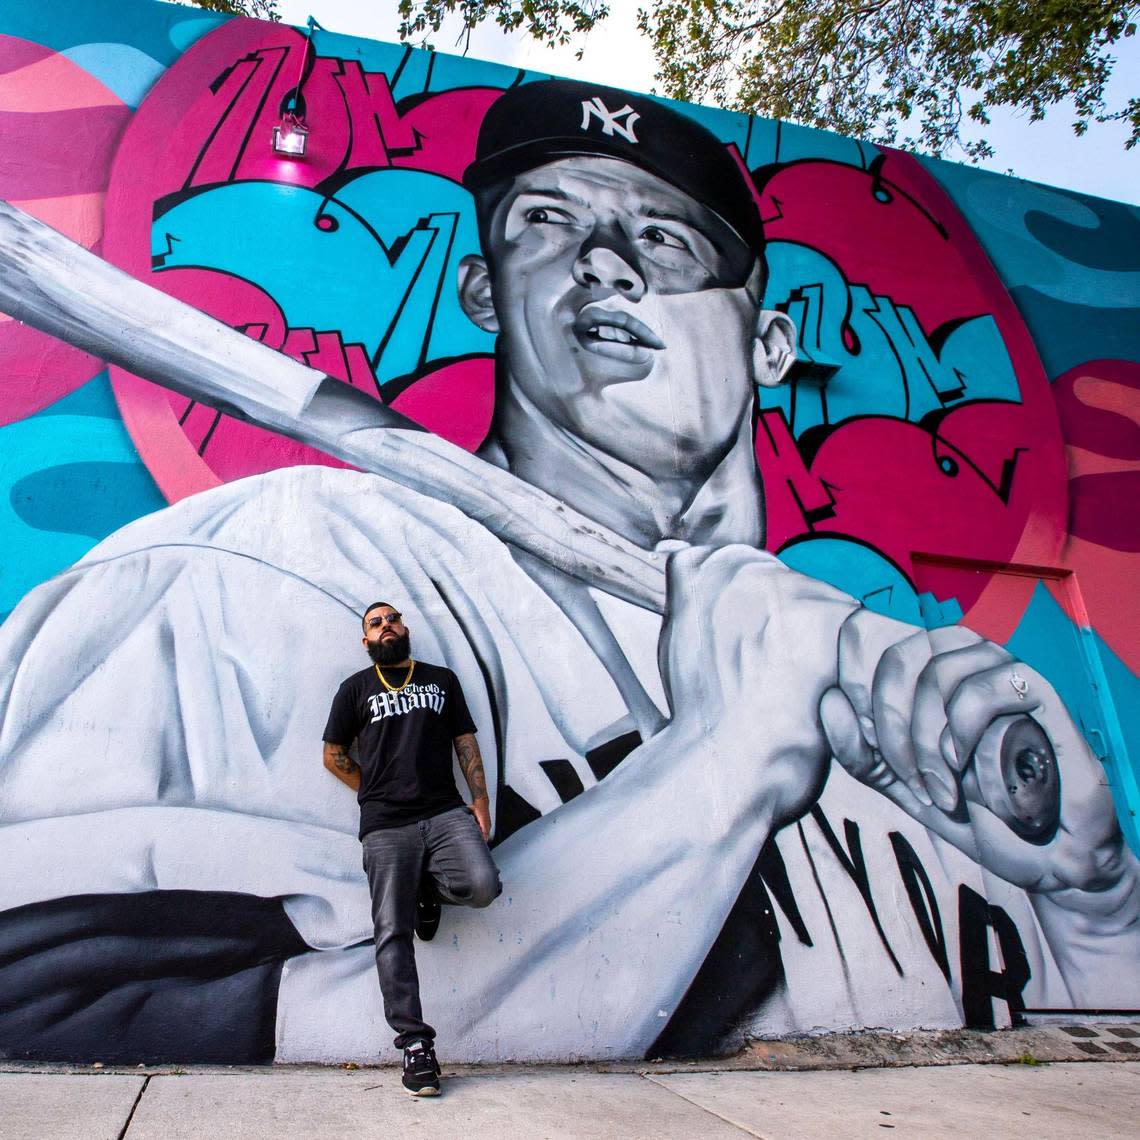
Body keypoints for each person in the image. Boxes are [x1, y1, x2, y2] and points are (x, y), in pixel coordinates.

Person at [0, 79, 1136, 1065]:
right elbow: (63, 1029)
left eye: (668, 239)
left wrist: (1093, 903)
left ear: (771, 347)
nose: (605, 262)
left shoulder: (887, 710)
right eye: (547, 221)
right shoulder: (290, 573)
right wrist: (716, 770)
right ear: (486, 293)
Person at [322, 601, 501, 1094]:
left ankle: (427, 890)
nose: (386, 627)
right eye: (375, 623)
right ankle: (415, 1045)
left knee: (482, 884)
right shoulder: (354, 689)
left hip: (444, 811)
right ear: (366, 641)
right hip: (385, 824)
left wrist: (480, 797)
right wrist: (370, 787)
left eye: (392, 619)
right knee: (391, 930)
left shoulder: (441, 680)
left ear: (405, 627)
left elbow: (465, 740)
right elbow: (333, 756)